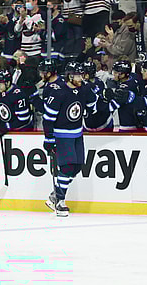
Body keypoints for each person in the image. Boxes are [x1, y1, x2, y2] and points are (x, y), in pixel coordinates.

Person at [43, 61, 90, 217]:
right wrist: (49, 138)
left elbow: (94, 105)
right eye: (78, 75)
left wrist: (108, 97)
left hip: (77, 134)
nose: (81, 78)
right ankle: (59, 200)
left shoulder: (83, 89)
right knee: (68, 167)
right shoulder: (58, 92)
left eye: (82, 75)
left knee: (76, 167)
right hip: (62, 135)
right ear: (69, 76)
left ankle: (54, 195)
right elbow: (48, 118)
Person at [0, 69, 33, 133]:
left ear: (8, 83)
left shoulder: (18, 96)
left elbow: (24, 119)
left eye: (0, 84)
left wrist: (6, 126)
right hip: (11, 130)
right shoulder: (2, 91)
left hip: (22, 132)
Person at [81, 61, 112, 131]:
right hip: (88, 122)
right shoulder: (81, 85)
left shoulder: (101, 83)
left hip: (104, 121)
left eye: (83, 73)